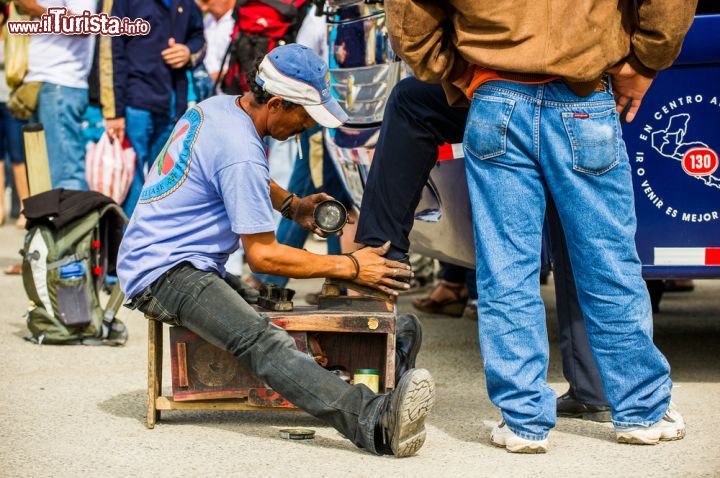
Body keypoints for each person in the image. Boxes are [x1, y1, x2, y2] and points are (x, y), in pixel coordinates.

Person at [386, 0, 696, 452]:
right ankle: (643, 411)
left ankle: (523, 421)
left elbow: (411, 13)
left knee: (506, 269)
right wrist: (645, 60)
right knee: (608, 262)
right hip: (584, 94)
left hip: (497, 96)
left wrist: (452, 70)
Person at [117, 44, 435, 458]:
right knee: (261, 341)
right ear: (278, 103)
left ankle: (387, 363)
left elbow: (239, 177)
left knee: (280, 306)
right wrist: (351, 265)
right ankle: (372, 420)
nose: (306, 126)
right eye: (304, 115)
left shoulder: (221, 109)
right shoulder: (241, 152)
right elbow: (265, 257)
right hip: (164, 274)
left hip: (180, 261)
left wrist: (291, 204)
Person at [357, 75, 611, 421]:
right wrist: (637, 68)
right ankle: (595, 385)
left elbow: (418, 31)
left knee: (409, 100)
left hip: (509, 90)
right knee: (579, 232)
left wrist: (460, 73)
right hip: (585, 86)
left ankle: (381, 255)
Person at [100, 0, 206, 218]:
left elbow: (199, 38)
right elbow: (110, 51)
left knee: (165, 181)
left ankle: (154, 240)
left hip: (172, 106)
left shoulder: (187, 3)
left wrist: (188, 53)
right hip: (134, 103)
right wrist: (114, 112)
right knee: (131, 178)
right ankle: (128, 241)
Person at [15, 0, 96, 190]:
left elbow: (83, 25)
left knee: (65, 174)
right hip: (42, 83)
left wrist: (36, 9)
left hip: (61, 84)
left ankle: (74, 220)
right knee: (42, 177)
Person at [0, 8, 29, 229]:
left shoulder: (14, 33)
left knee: (18, 157)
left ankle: (24, 207)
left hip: (12, 103)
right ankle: (0, 209)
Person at [198, 0, 234, 83]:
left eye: (206, 1)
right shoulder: (207, 19)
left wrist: (214, 77)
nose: (203, 8)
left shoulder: (241, 22)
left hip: (229, 92)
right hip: (204, 91)